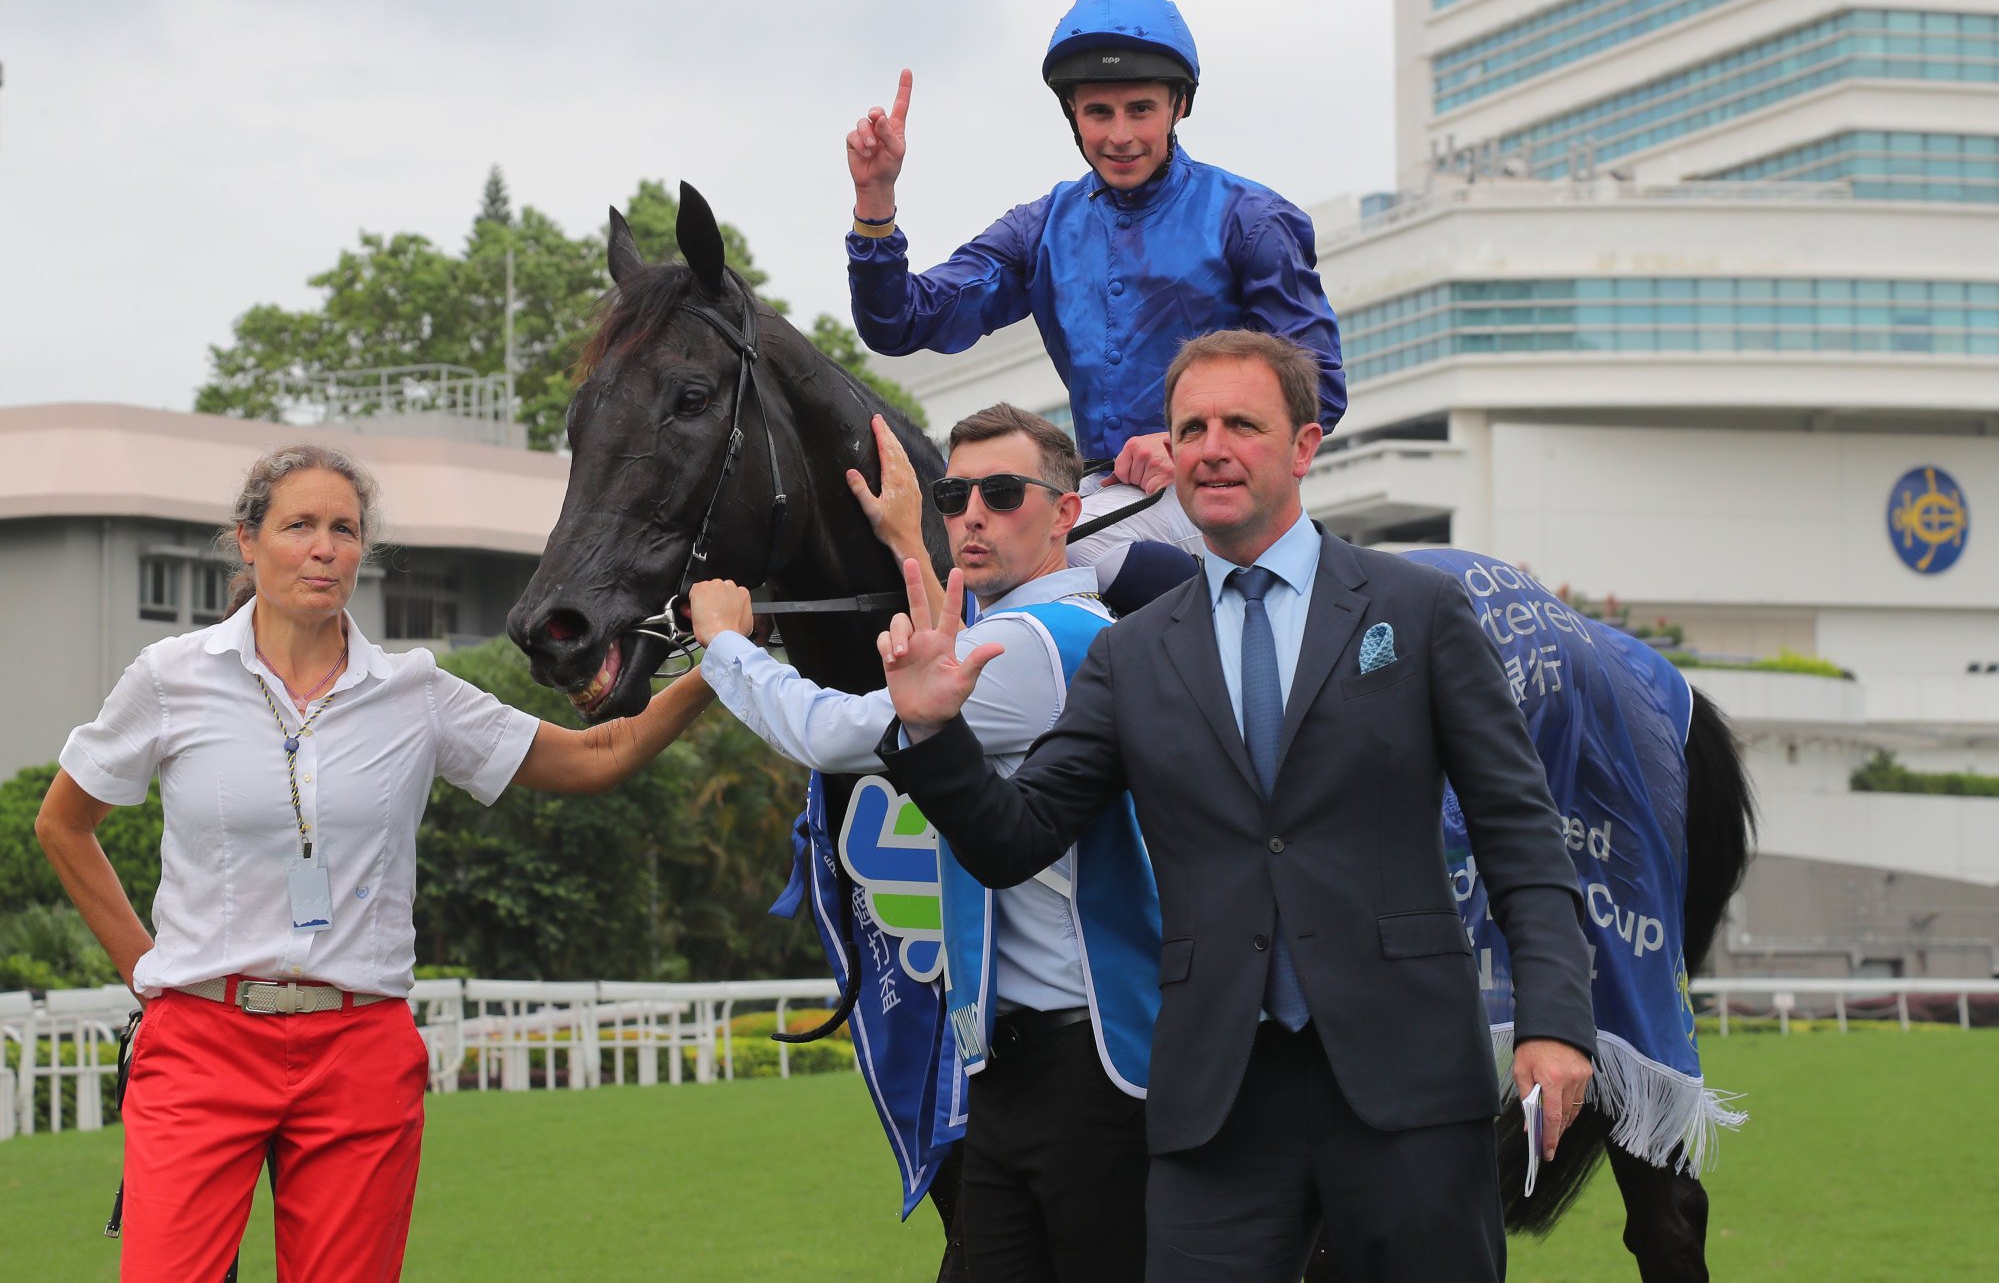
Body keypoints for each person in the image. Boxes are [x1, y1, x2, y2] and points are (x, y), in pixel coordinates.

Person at [872, 330, 1598, 1283]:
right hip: (1213, 1101)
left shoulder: (1413, 612)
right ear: (1168, 459)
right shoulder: (1131, 654)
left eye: (1240, 425)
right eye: (1191, 428)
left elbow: (1516, 827)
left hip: (1408, 1085)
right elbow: (1015, 839)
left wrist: (1554, 1019)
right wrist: (934, 735)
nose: (1211, 446)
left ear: (1302, 446)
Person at [35, 443, 716, 1282]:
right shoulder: (172, 677)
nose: (324, 548)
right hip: (201, 1043)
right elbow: (64, 824)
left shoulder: (416, 692)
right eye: (299, 526)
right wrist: (148, 972)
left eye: (345, 530)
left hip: (359, 1050)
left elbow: (596, 755)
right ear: (246, 541)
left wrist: (721, 663)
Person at [689, 408, 1158, 1282]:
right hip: (1014, 1065)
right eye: (955, 494)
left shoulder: (1033, 642)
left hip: (1087, 1071)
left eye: (1003, 493)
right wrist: (907, 533)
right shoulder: (1018, 630)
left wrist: (723, 644)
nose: (972, 513)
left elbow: (833, 734)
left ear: (1065, 516)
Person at [843, 0, 1343, 590]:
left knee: (1035, 558)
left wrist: (1188, 440)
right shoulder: (1041, 227)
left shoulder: (1252, 219)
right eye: (1099, 113)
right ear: (1073, 117)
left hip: (1217, 487)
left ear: (1178, 106)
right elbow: (899, 323)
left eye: (1141, 109)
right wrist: (876, 198)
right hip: (1099, 491)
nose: (1120, 136)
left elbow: (1319, 386)